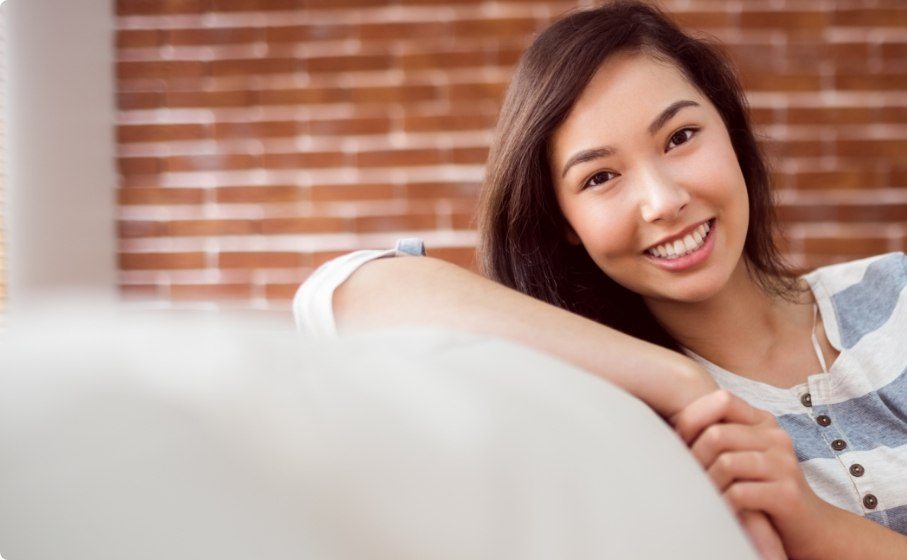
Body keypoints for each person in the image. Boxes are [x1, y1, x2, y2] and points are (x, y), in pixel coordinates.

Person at [294, 1, 907, 558]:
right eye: (599, 178)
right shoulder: (617, 395)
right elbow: (346, 293)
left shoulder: (895, 293)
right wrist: (683, 380)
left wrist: (811, 523)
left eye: (681, 137)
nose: (662, 202)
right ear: (564, 223)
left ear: (731, 131)